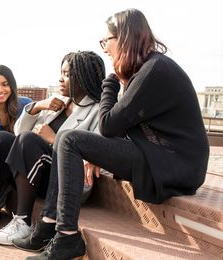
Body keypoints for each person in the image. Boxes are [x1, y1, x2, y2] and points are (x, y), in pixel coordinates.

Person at [28, 9, 209, 260]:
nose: (105, 49)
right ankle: (49, 224)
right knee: (66, 138)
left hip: (174, 164)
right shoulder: (147, 69)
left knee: (69, 138)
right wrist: (98, 152)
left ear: (124, 38)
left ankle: (66, 236)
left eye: (106, 41)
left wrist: (110, 84)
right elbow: (120, 127)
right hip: (159, 156)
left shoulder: (154, 70)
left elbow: (108, 125)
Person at [0, 51, 105, 247]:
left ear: (83, 77)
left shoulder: (98, 110)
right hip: (38, 172)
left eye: (66, 74)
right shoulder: (59, 102)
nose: (60, 79)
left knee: (29, 141)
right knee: (0, 139)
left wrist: (54, 140)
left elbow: (95, 158)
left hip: (68, 182)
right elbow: (18, 131)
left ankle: (23, 221)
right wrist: (36, 107)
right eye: (61, 72)